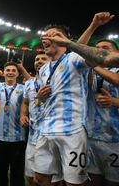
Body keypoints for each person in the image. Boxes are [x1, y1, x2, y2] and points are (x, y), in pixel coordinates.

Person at [34, 25, 91, 185]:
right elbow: (45, 100)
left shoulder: (74, 59)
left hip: (71, 131)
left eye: (54, 36)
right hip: (46, 130)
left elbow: (83, 50)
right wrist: (40, 97)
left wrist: (93, 25)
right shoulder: (44, 69)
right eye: (45, 36)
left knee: (73, 182)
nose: (48, 39)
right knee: (40, 178)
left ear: (65, 40)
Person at [20, 53, 63, 186]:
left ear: (50, 61)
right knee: (30, 177)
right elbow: (25, 102)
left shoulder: (58, 80)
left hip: (50, 137)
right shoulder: (29, 83)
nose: (39, 61)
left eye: (43, 59)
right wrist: (23, 115)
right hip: (33, 138)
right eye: (36, 59)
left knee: (51, 181)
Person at [86, 39, 119, 185]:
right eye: (96, 48)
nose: (99, 50)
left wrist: (114, 102)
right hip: (91, 138)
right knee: (92, 180)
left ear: (116, 53)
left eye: (104, 48)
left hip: (115, 140)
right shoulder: (90, 72)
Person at [0, 61, 25, 186]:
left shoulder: (23, 89)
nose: (10, 72)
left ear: (18, 74)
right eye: (8, 70)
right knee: (1, 172)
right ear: (4, 72)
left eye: (13, 70)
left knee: (17, 173)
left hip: (17, 139)